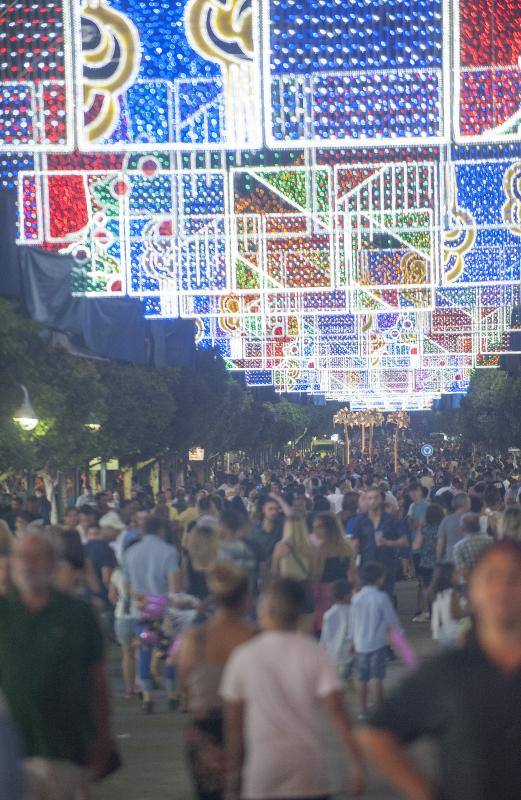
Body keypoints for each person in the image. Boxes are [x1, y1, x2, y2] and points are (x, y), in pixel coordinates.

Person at [357, 540, 521, 800]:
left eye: (515, 577)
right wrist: (422, 791)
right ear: (472, 590)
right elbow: (376, 731)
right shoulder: (448, 672)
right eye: (491, 577)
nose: (503, 588)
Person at [220, 578, 364, 800]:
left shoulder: (244, 656)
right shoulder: (314, 653)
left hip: (263, 772)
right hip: (310, 771)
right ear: (299, 612)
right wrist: (355, 761)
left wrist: (233, 779)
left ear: (266, 609)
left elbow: (234, 726)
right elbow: (337, 711)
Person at [0, 531, 113, 799]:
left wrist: (103, 736)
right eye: (21, 557)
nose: (27, 564)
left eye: (35, 558)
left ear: (52, 564)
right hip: (13, 750)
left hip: (66, 747)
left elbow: (98, 679)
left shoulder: (78, 614)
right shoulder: (5, 615)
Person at [177, 563, 255, 800]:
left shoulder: (195, 638)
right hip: (248, 728)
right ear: (245, 599)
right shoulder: (255, 637)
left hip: (204, 732)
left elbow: (185, 687)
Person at [123, 516, 182, 713]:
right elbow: (174, 586)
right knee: (170, 652)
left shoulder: (130, 552)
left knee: (144, 652)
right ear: (161, 530)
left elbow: (127, 586)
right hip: (164, 609)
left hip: (140, 610)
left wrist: (141, 600)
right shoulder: (169, 551)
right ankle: (172, 694)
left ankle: (147, 697)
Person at [350, 562, 404, 717]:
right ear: (380, 579)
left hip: (360, 644)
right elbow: (391, 619)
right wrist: (398, 635)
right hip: (378, 644)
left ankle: (363, 710)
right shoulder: (382, 597)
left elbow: (352, 621)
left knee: (362, 679)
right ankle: (380, 710)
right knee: (378, 679)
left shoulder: (356, 597)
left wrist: (352, 641)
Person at [350, 487, 407, 599]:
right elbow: (354, 545)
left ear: (381, 500)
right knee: (367, 600)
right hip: (366, 567)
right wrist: (351, 568)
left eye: (376, 498)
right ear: (366, 500)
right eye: (369, 498)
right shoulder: (360, 521)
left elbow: (404, 541)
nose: (372, 501)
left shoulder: (391, 520)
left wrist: (388, 543)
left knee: (386, 598)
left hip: (386, 566)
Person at [271, 515, 317, 632]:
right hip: (304, 589)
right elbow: (313, 573)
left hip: (287, 590)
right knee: (304, 631)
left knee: (285, 629)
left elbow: (275, 571)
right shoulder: (309, 547)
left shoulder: (280, 547)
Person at [312, 511, 353, 633]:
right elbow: (352, 573)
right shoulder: (346, 547)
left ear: (329, 528)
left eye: (319, 527)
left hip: (323, 595)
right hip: (344, 593)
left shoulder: (319, 549)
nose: (315, 530)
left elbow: (315, 574)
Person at [109, 539, 139, 699]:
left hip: (122, 615)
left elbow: (112, 597)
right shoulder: (143, 569)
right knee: (143, 651)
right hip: (142, 614)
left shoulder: (117, 572)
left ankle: (130, 688)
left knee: (127, 653)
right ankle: (143, 684)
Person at [411, 503, 445, 622]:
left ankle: (431, 612)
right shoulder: (442, 528)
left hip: (425, 563)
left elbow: (416, 546)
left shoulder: (425, 530)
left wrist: (420, 528)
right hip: (440, 563)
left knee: (427, 588)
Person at [320, 579, 354, 681]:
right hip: (348, 654)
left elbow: (324, 637)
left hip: (332, 654)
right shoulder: (351, 613)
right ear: (347, 596)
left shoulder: (328, 614)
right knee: (344, 679)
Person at [429, 563, 467, 647]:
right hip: (455, 633)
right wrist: (469, 610)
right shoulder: (453, 594)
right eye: (457, 573)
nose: (459, 575)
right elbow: (456, 614)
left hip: (444, 633)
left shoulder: (438, 594)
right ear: (449, 576)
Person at [183, 524, 220, 600]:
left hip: (191, 602)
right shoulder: (218, 560)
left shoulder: (188, 560)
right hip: (213, 604)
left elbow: (185, 585)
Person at [452, 512, 493, 579]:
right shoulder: (492, 541)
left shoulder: (459, 547)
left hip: (470, 585)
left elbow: (463, 571)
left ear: (462, 528)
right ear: (479, 525)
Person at [435, 492, 470, 562]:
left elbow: (440, 544)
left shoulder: (446, 520)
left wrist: (438, 561)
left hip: (450, 560)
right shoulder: (472, 519)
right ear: (466, 504)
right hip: (468, 560)